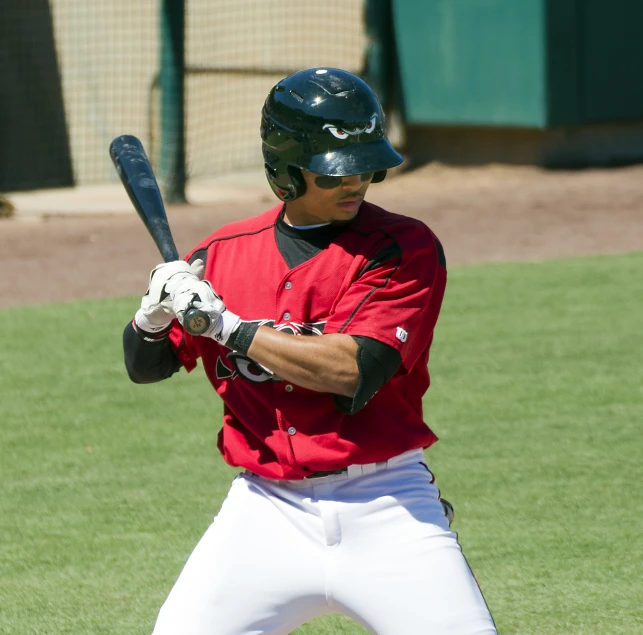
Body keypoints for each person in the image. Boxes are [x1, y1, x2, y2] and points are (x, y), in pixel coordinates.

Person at [123, 67, 497, 635]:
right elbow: (145, 367)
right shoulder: (220, 255)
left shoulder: (403, 248)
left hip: (386, 505)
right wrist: (151, 317)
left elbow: (352, 372)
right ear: (286, 170)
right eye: (335, 172)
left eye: (367, 167)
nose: (358, 182)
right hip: (263, 512)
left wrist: (225, 325)